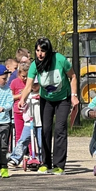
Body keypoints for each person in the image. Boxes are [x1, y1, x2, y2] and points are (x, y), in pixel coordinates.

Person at [18, 37, 78, 175]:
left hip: (63, 98)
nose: (40, 54)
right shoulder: (34, 65)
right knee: (45, 130)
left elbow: (73, 76)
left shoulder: (60, 59)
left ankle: (59, 165)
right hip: (46, 99)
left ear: (48, 51)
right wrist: (22, 99)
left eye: (43, 51)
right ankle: (45, 163)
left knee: (60, 128)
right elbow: (28, 86)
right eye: (37, 50)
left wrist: (74, 96)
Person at [8, 78, 43, 167]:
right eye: (33, 84)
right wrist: (23, 103)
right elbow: (22, 105)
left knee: (41, 142)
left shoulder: (43, 94)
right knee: (23, 140)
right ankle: (15, 158)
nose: (34, 86)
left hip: (40, 122)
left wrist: (41, 98)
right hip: (29, 122)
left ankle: (43, 159)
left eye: (36, 84)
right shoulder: (27, 94)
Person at [10, 61, 30, 146]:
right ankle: (19, 153)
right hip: (18, 111)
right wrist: (21, 96)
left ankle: (31, 154)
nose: (25, 79)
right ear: (19, 74)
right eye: (23, 76)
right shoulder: (14, 82)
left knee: (29, 133)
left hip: (29, 111)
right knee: (19, 133)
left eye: (27, 76)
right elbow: (11, 97)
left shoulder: (30, 82)